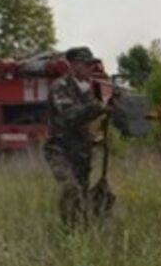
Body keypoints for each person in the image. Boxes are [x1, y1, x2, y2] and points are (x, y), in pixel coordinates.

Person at [45, 46, 121, 228]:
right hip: (60, 149)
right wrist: (98, 107)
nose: (90, 69)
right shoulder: (59, 87)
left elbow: (91, 118)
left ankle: (81, 230)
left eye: (92, 65)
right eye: (86, 64)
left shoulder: (86, 90)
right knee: (71, 188)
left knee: (82, 193)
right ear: (74, 65)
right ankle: (69, 230)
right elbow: (70, 115)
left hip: (81, 150)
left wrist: (110, 109)